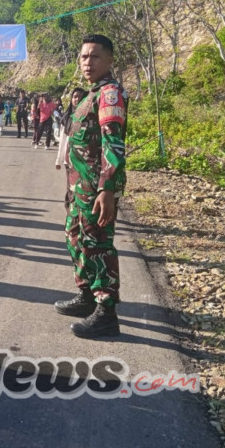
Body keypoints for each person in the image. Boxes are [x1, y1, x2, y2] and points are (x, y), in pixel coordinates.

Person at [55, 35, 128, 339]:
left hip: (96, 190)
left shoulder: (109, 95)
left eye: (95, 57)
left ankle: (106, 313)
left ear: (110, 60)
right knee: (76, 239)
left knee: (97, 246)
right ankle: (87, 296)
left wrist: (107, 189)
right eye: (84, 57)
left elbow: (113, 144)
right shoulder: (88, 95)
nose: (88, 62)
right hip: (79, 189)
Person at [55, 87, 87, 170]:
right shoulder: (67, 117)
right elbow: (63, 140)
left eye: (80, 96)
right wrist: (58, 160)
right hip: (69, 159)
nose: (77, 99)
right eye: (74, 97)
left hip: (85, 159)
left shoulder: (89, 117)